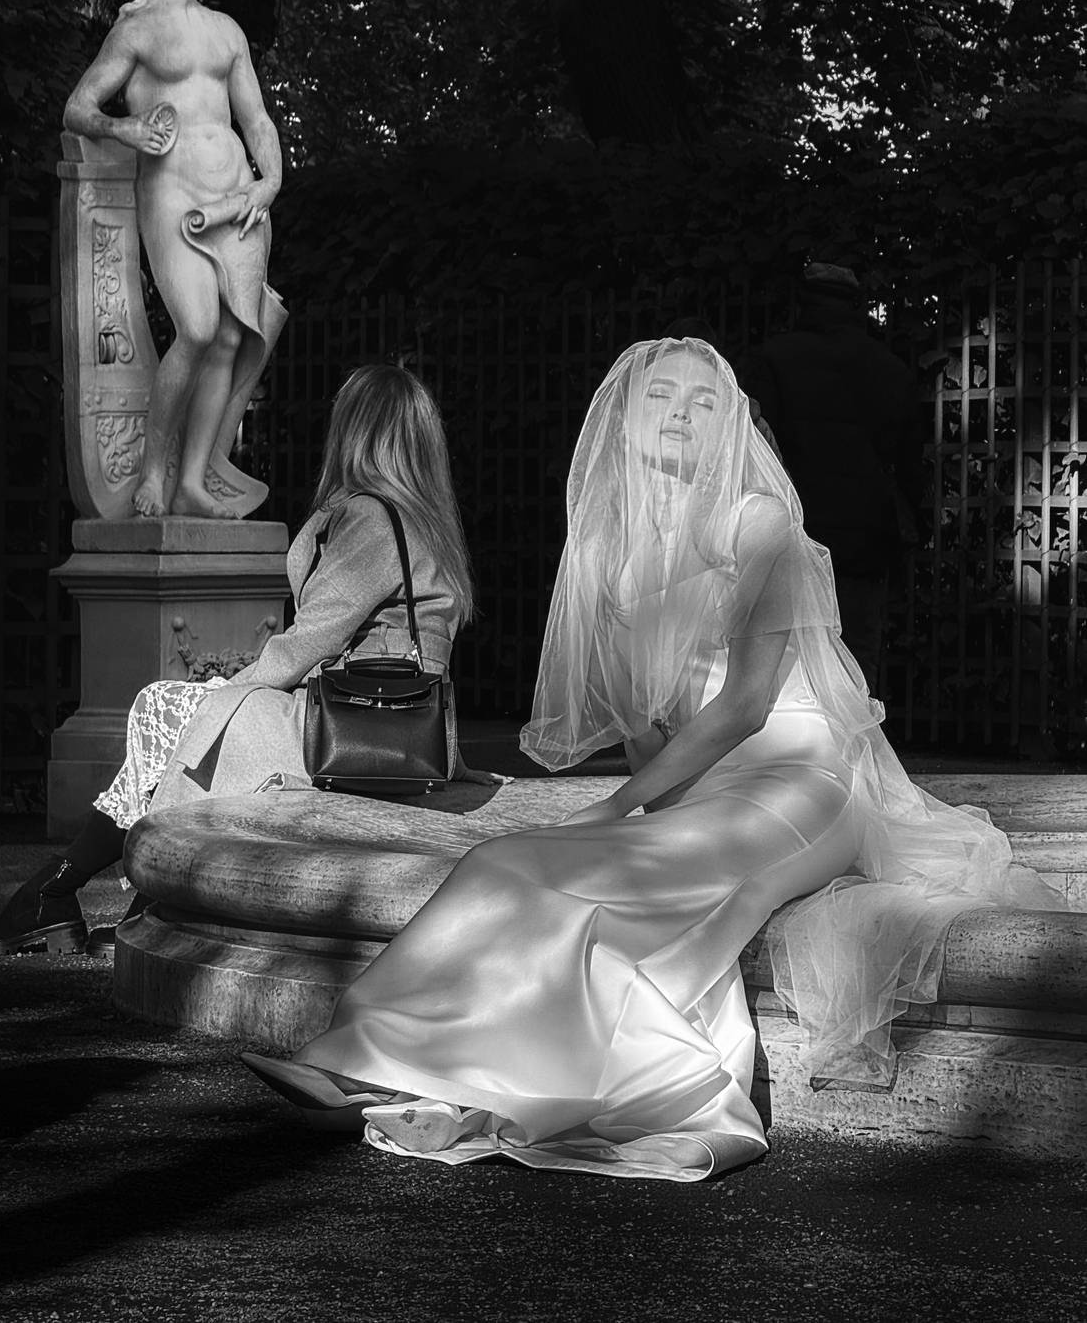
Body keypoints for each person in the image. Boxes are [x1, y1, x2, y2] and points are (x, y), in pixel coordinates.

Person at [241, 338, 1056, 1183]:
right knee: (501, 862)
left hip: (801, 782)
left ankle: (434, 1077)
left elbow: (745, 707)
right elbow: (643, 725)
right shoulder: (611, 553)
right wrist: (636, 815)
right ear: (625, 419)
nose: (680, 413)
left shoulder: (761, 525)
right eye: (661, 396)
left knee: (592, 883)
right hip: (701, 793)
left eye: (705, 401)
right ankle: (361, 1058)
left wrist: (614, 807)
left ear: (731, 424)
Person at [0, 367, 476, 959]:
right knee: (184, 713)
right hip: (387, 725)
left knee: (169, 705)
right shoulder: (425, 522)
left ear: (354, 431)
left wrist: (231, 688)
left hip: (352, 730)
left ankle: (73, 893)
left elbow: (309, 640)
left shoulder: (373, 519)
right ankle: (82, 895)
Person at [63, 0, 285, 518]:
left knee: (229, 338)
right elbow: (78, 107)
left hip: (235, 197)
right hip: (172, 193)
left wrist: (270, 181)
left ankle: (191, 480)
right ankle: (153, 473)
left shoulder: (227, 32)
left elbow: (257, 120)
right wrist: (126, 129)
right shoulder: (136, 31)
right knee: (197, 328)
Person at [737, 263, 924, 694]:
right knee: (856, 660)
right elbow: (910, 466)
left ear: (804, 301)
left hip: (794, 529)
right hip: (865, 536)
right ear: (855, 305)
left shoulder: (774, 359)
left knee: (787, 663)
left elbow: (756, 450)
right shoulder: (890, 369)